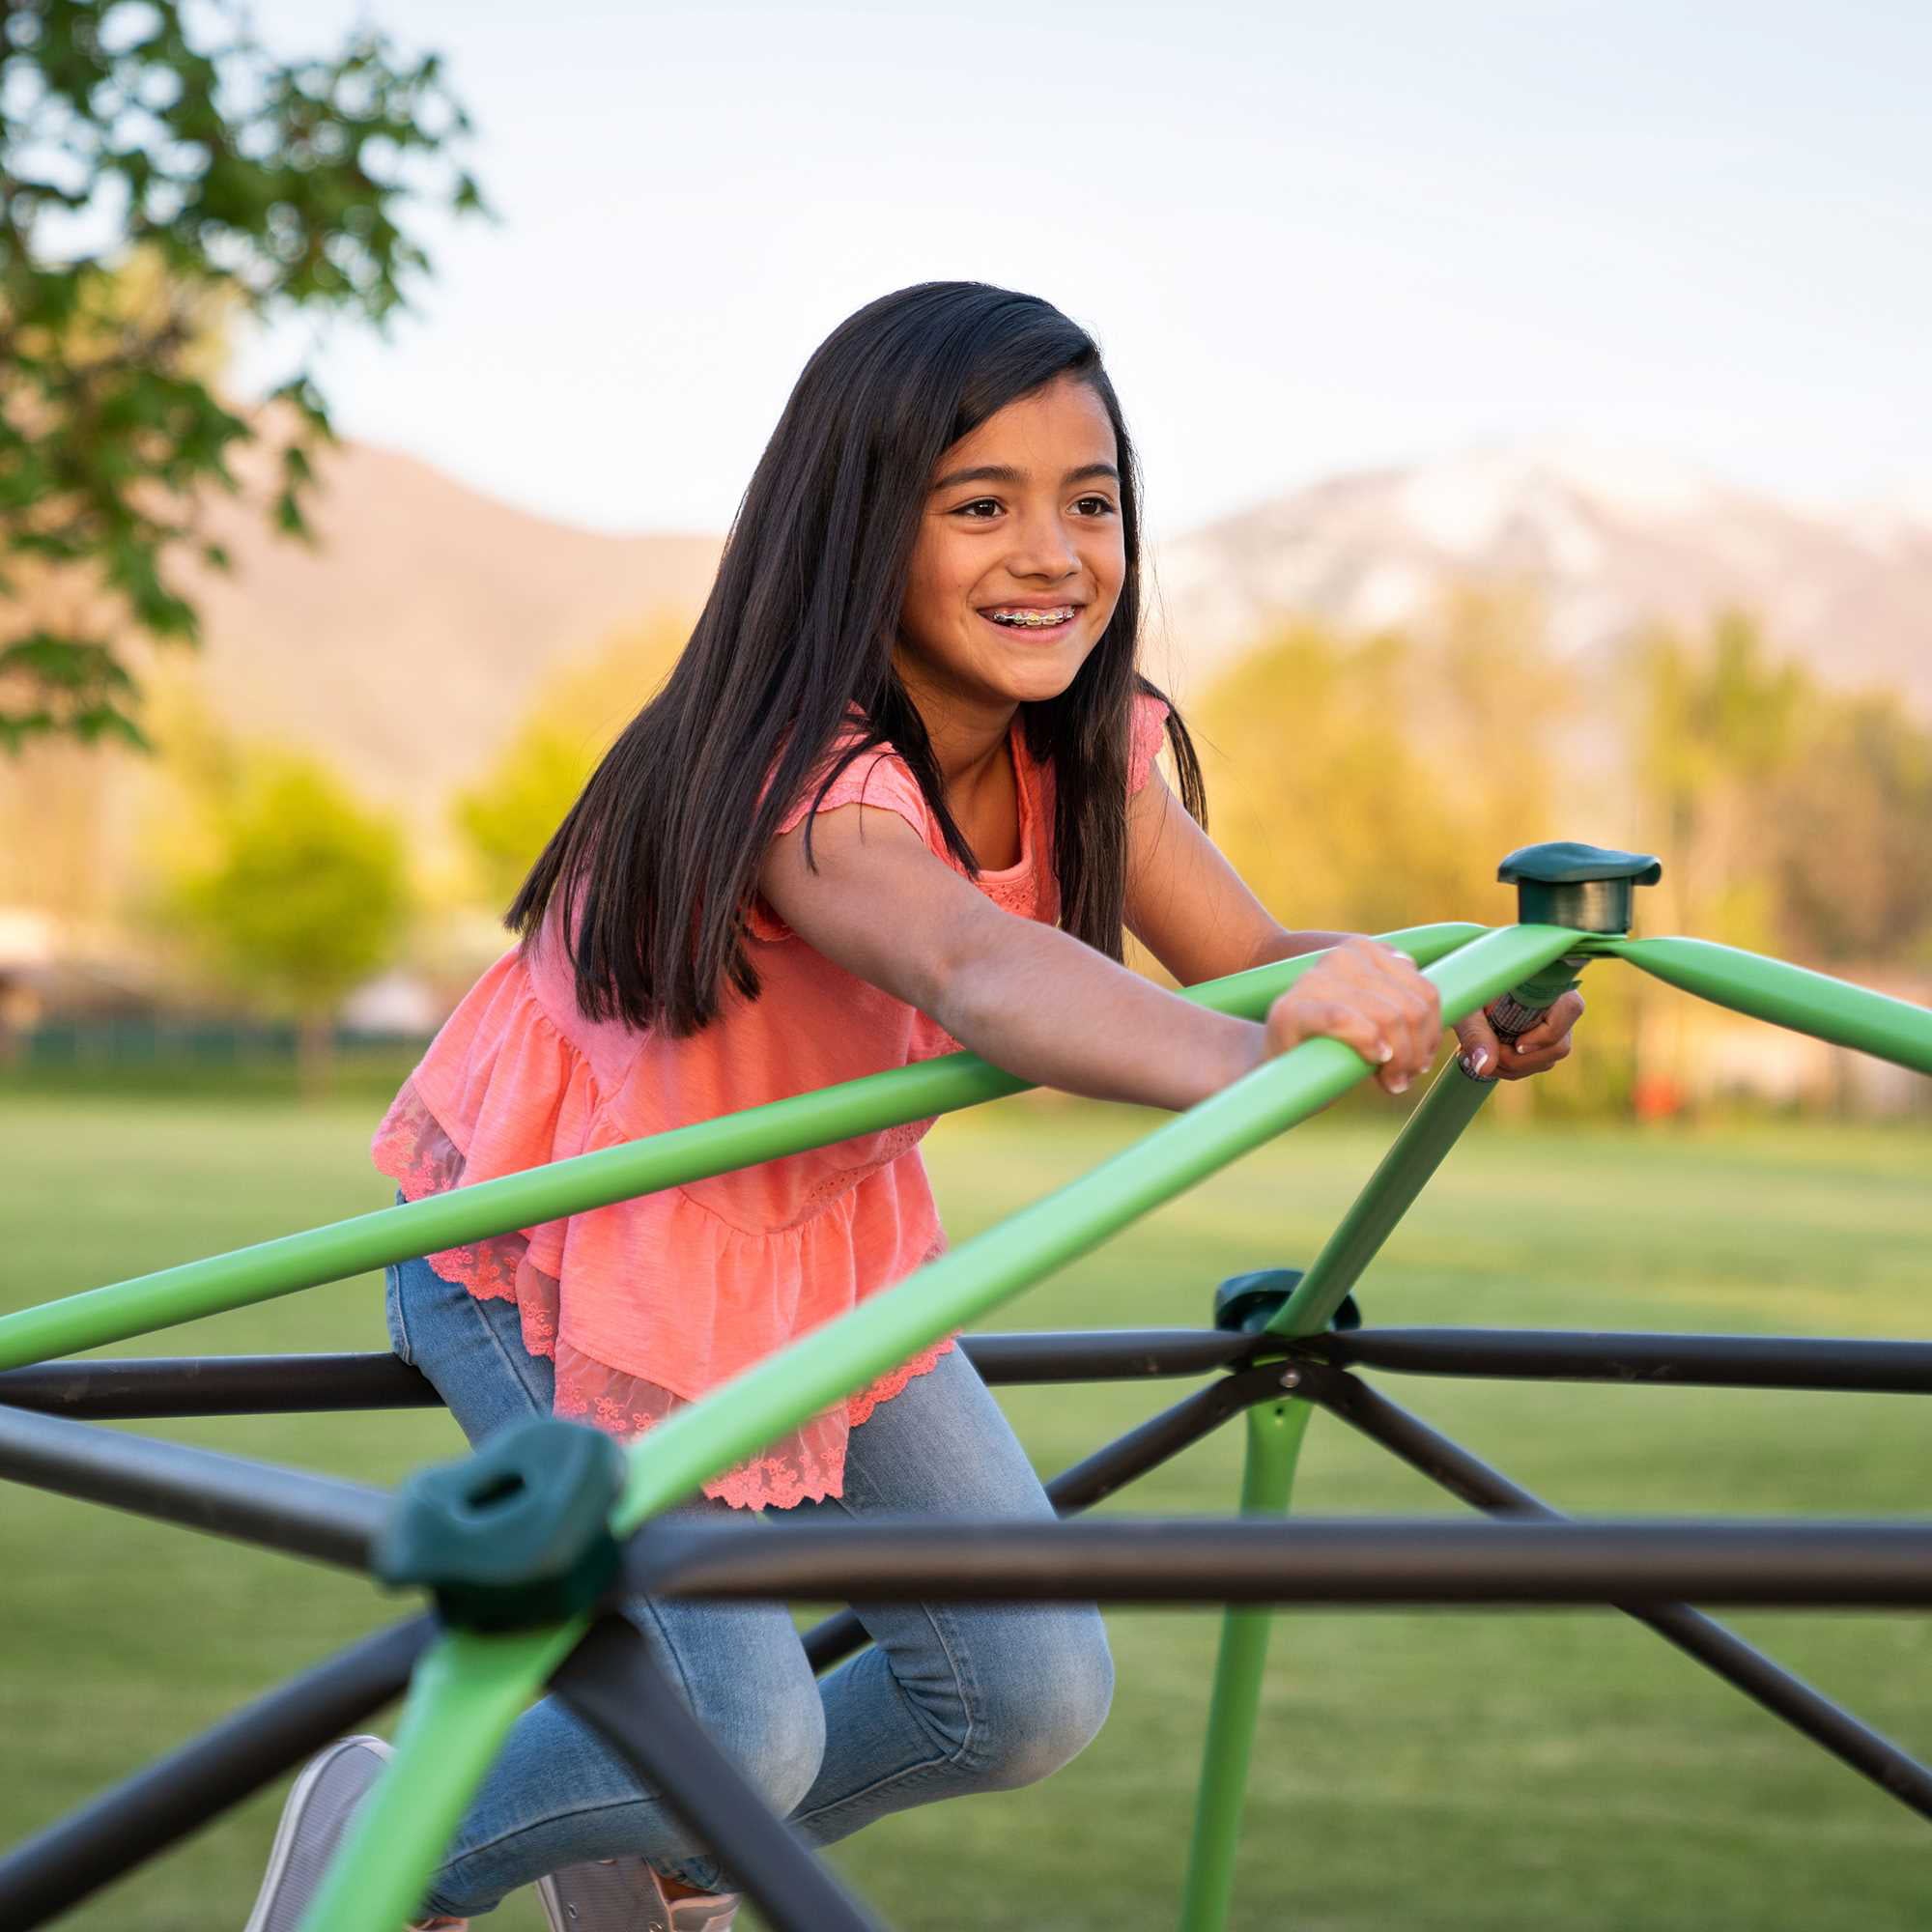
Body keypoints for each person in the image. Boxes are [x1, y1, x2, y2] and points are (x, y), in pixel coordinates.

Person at [243, 281, 1583, 1932]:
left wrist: (1446, 995)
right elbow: (974, 964)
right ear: (858, 525)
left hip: (827, 1246)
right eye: (981, 506)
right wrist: (1250, 1064)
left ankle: (647, 1845)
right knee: (739, 1725)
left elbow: (1250, 956)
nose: (1053, 552)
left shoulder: (1094, 747)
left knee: (1025, 1694)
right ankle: (381, 1862)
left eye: (1091, 504)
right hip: (571, 1237)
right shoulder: (791, 776)